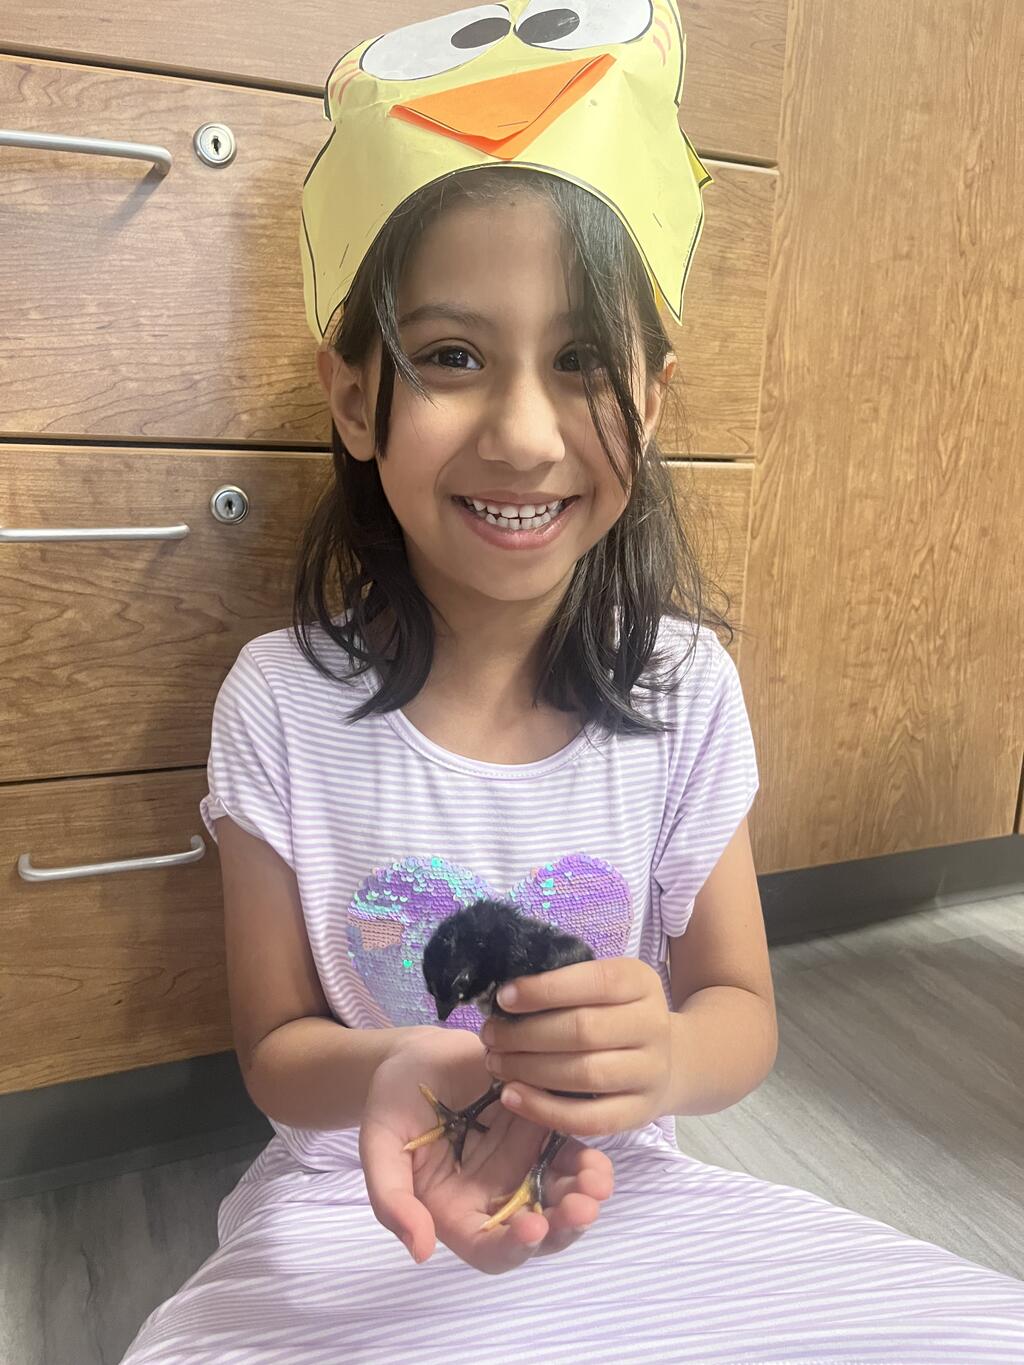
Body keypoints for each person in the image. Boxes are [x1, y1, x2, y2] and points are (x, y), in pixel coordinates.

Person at [121, 4, 1024, 1360]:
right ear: (355, 398)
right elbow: (278, 1049)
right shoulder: (278, 701)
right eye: (453, 356)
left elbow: (738, 1013)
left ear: (649, 403)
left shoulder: (686, 688)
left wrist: (661, 1058)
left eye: (584, 360)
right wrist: (405, 1067)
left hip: (622, 1188)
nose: (526, 433)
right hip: (358, 1194)